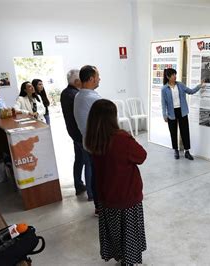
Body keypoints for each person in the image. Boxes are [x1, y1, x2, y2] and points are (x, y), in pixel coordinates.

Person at [84, 99, 147, 265]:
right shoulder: (122, 138)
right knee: (129, 233)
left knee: (114, 231)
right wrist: (130, 137)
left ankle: (119, 256)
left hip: (106, 195)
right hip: (126, 194)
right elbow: (141, 156)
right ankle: (128, 261)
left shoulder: (92, 139)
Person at [74, 65, 101, 215]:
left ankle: (98, 205)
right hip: (97, 144)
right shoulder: (92, 98)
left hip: (88, 141)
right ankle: (101, 206)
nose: (99, 79)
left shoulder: (79, 96)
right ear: (91, 78)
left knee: (95, 173)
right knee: (100, 175)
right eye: (98, 76)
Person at [161, 68, 205, 160]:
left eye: (175, 74)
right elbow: (163, 103)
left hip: (182, 111)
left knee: (185, 131)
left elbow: (190, 91)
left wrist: (199, 86)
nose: (175, 76)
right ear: (168, 76)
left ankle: (187, 151)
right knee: (173, 132)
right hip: (171, 113)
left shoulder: (180, 85)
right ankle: (176, 150)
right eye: (173, 75)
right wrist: (164, 115)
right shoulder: (164, 89)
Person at [60, 69, 89, 197]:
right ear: (77, 81)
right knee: (87, 162)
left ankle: (78, 184)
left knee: (79, 160)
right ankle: (91, 192)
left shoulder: (65, 93)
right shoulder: (76, 95)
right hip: (80, 133)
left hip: (73, 132)